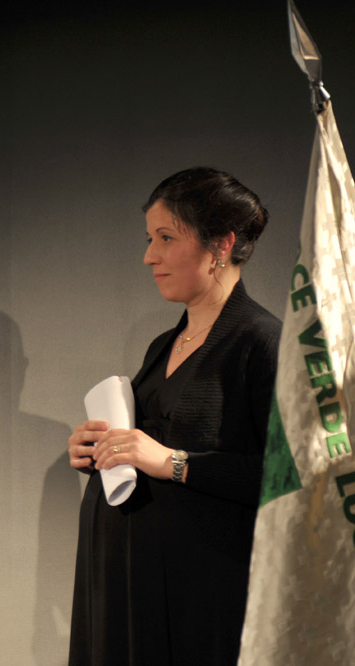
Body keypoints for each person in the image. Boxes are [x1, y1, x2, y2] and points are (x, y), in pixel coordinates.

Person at [66, 167, 281, 666]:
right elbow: (143, 448)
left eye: (166, 238)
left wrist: (172, 462)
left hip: (198, 594)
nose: (149, 256)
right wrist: (96, 450)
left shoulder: (260, 342)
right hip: (123, 583)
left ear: (221, 245)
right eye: (149, 239)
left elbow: (284, 476)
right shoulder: (163, 344)